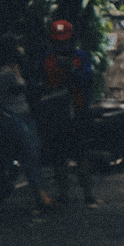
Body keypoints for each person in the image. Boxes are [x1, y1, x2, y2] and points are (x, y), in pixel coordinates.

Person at [34, 18, 98, 206]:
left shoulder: (81, 58)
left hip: (77, 111)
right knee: (58, 156)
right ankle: (64, 194)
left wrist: (71, 72)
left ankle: (88, 194)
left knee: (82, 155)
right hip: (55, 113)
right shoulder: (47, 59)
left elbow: (88, 80)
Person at [0, 42, 53, 212]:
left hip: (23, 114)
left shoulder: (16, 69)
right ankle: (39, 194)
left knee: (32, 152)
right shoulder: (5, 73)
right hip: (13, 115)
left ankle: (39, 192)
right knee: (29, 152)